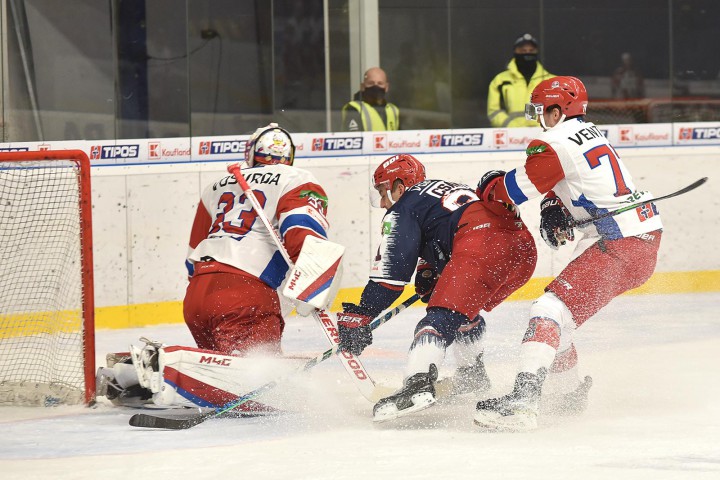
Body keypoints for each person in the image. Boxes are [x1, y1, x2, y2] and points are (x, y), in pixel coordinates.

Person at [96, 123, 332, 409]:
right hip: (245, 296)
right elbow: (303, 234)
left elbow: (191, 257)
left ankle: (129, 377)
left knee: (224, 378)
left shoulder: (216, 186)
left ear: (252, 152)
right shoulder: (297, 179)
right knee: (259, 390)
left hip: (199, 295)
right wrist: (314, 282)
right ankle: (157, 366)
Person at [474, 76, 663, 431]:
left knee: (549, 309)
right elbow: (572, 180)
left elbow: (512, 192)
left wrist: (488, 187)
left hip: (621, 242)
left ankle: (523, 402)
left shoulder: (552, 143)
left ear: (557, 111)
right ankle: (568, 394)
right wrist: (552, 205)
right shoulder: (590, 132)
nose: (538, 118)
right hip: (639, 239)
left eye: (541, 110)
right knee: (563, 322)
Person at [336, 154, 537, 422]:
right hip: (522, 250)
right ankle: (472, 374)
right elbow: (449, 227)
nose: (383, 203)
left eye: (384, 193)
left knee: (439, 318)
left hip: (482, 245)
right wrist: (431, 269)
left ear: (399, 187)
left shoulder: (404, 206)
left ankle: (417, 385)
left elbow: (390, 275)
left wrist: (363, 312)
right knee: (461, 311)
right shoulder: (440, 192)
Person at [487, 33, 554, 128]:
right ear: (515, 51)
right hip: (510, 135)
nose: (527, 53)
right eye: (523, 50)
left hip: (543, 134)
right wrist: (513, 128)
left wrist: (541, 127)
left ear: (537, 52)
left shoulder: (552, 82)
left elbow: (559, 111)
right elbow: (494, 112)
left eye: (531, 50)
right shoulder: (500, 81)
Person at [341, 67, 400, 131]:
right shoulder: (354, 108)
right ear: (362, 86)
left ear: (386, 87)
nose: (375, 86)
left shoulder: (393, 110)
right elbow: (354, 136)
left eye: (380, 83)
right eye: (371, 83)